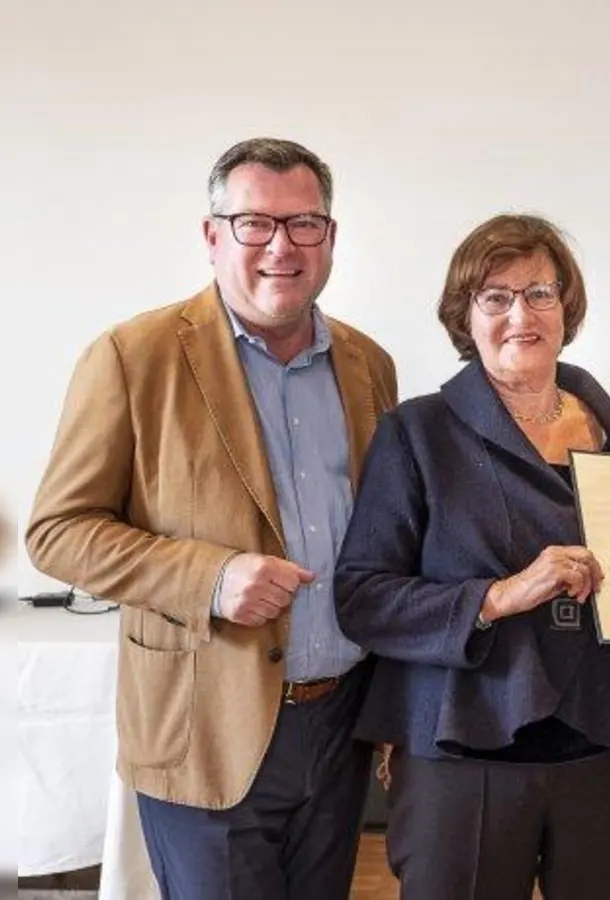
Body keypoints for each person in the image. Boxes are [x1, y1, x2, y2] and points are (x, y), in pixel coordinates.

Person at [26, 138, 397, 899]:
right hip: (202, 730)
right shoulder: (133, 356)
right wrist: (212, 577)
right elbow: (57, 530)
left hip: (341, 726)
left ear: (330, 236)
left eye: (304, 224)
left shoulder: (369, 364)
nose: (281, 247)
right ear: (212, 234)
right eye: (255, 222)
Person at [333, 214, 610, 900]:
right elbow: (362, 597)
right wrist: (499, 596)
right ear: (465, 315)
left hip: (607, 743)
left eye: (540, 293)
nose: (521, 315)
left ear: (566, 306)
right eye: (496, 297)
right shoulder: (418, 432)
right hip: (466, 747)